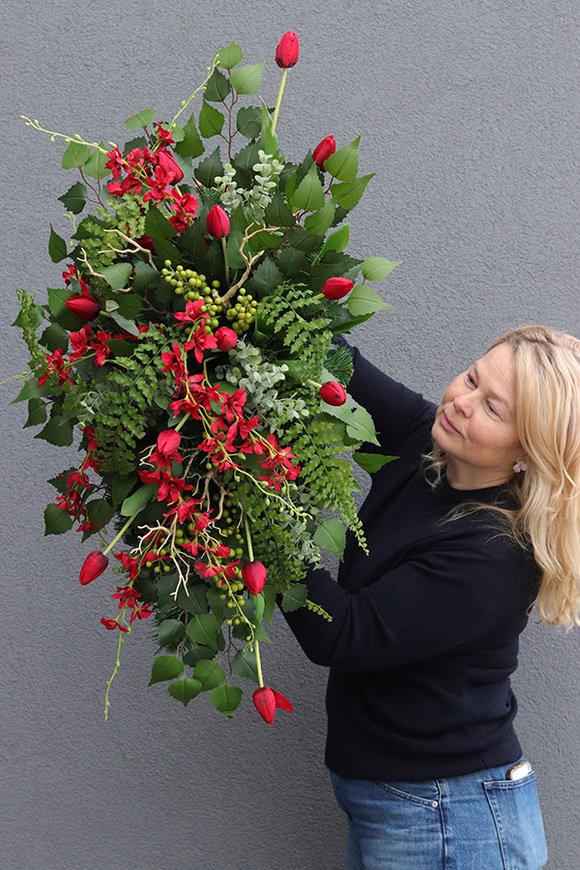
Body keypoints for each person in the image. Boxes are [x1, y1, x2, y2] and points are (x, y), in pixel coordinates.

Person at [282, 325, 580, 870]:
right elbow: (333, 360)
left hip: (450, 819)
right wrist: (253, 306)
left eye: (492, 408)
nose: (462, 402)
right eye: (471, 378)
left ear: (526, 451)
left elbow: (339, 631)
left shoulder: (493, 557)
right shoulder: (429, 442)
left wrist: (256, 518)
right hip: (401, 801)